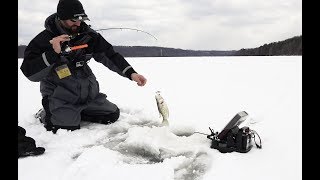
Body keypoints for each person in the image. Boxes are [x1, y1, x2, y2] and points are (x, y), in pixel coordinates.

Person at [20, 0, 147, 133]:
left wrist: (131, 74)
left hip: (88, 96)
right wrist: (53, 53)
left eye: (81, 19)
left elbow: (110, 55)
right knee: (67, 128)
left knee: (112, 115)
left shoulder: (89, 36)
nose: (78, 23)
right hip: (60, 97)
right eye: (74, 20)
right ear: (62, 17)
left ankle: (75, 112)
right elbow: (30, 73)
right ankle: (47, 113)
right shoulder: (44, 39)